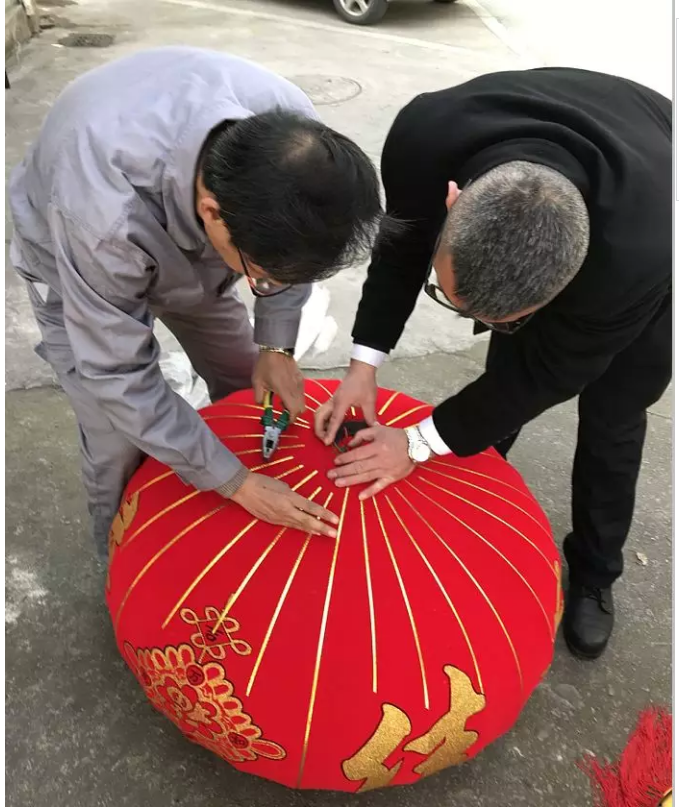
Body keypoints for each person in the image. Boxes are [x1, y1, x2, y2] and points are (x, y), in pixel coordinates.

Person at [315, 68, 671, 660]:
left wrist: (417, 442)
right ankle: (480, 475)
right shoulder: (425, 137)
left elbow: (553, 372)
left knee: (615, 414)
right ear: (451, 200)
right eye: (451, 298)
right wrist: (362, 365)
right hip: (577, 152)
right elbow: (402, 250)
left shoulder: (640, 253)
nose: (480, 323)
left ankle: (595, 572)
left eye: (512, 317)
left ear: (573, 279)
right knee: (505, 375)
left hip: (655, 183)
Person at [9, 47, 389, 561]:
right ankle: (122, 560)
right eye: (261, 275)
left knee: (244, 376)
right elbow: (117, 374)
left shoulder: (299, 141)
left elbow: (292, 255)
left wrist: (276, 347)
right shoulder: (102, 216)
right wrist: (233, 481)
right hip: (71, 255)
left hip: (190, 228)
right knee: (115, 436)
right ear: (212, 212)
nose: (267, 284)